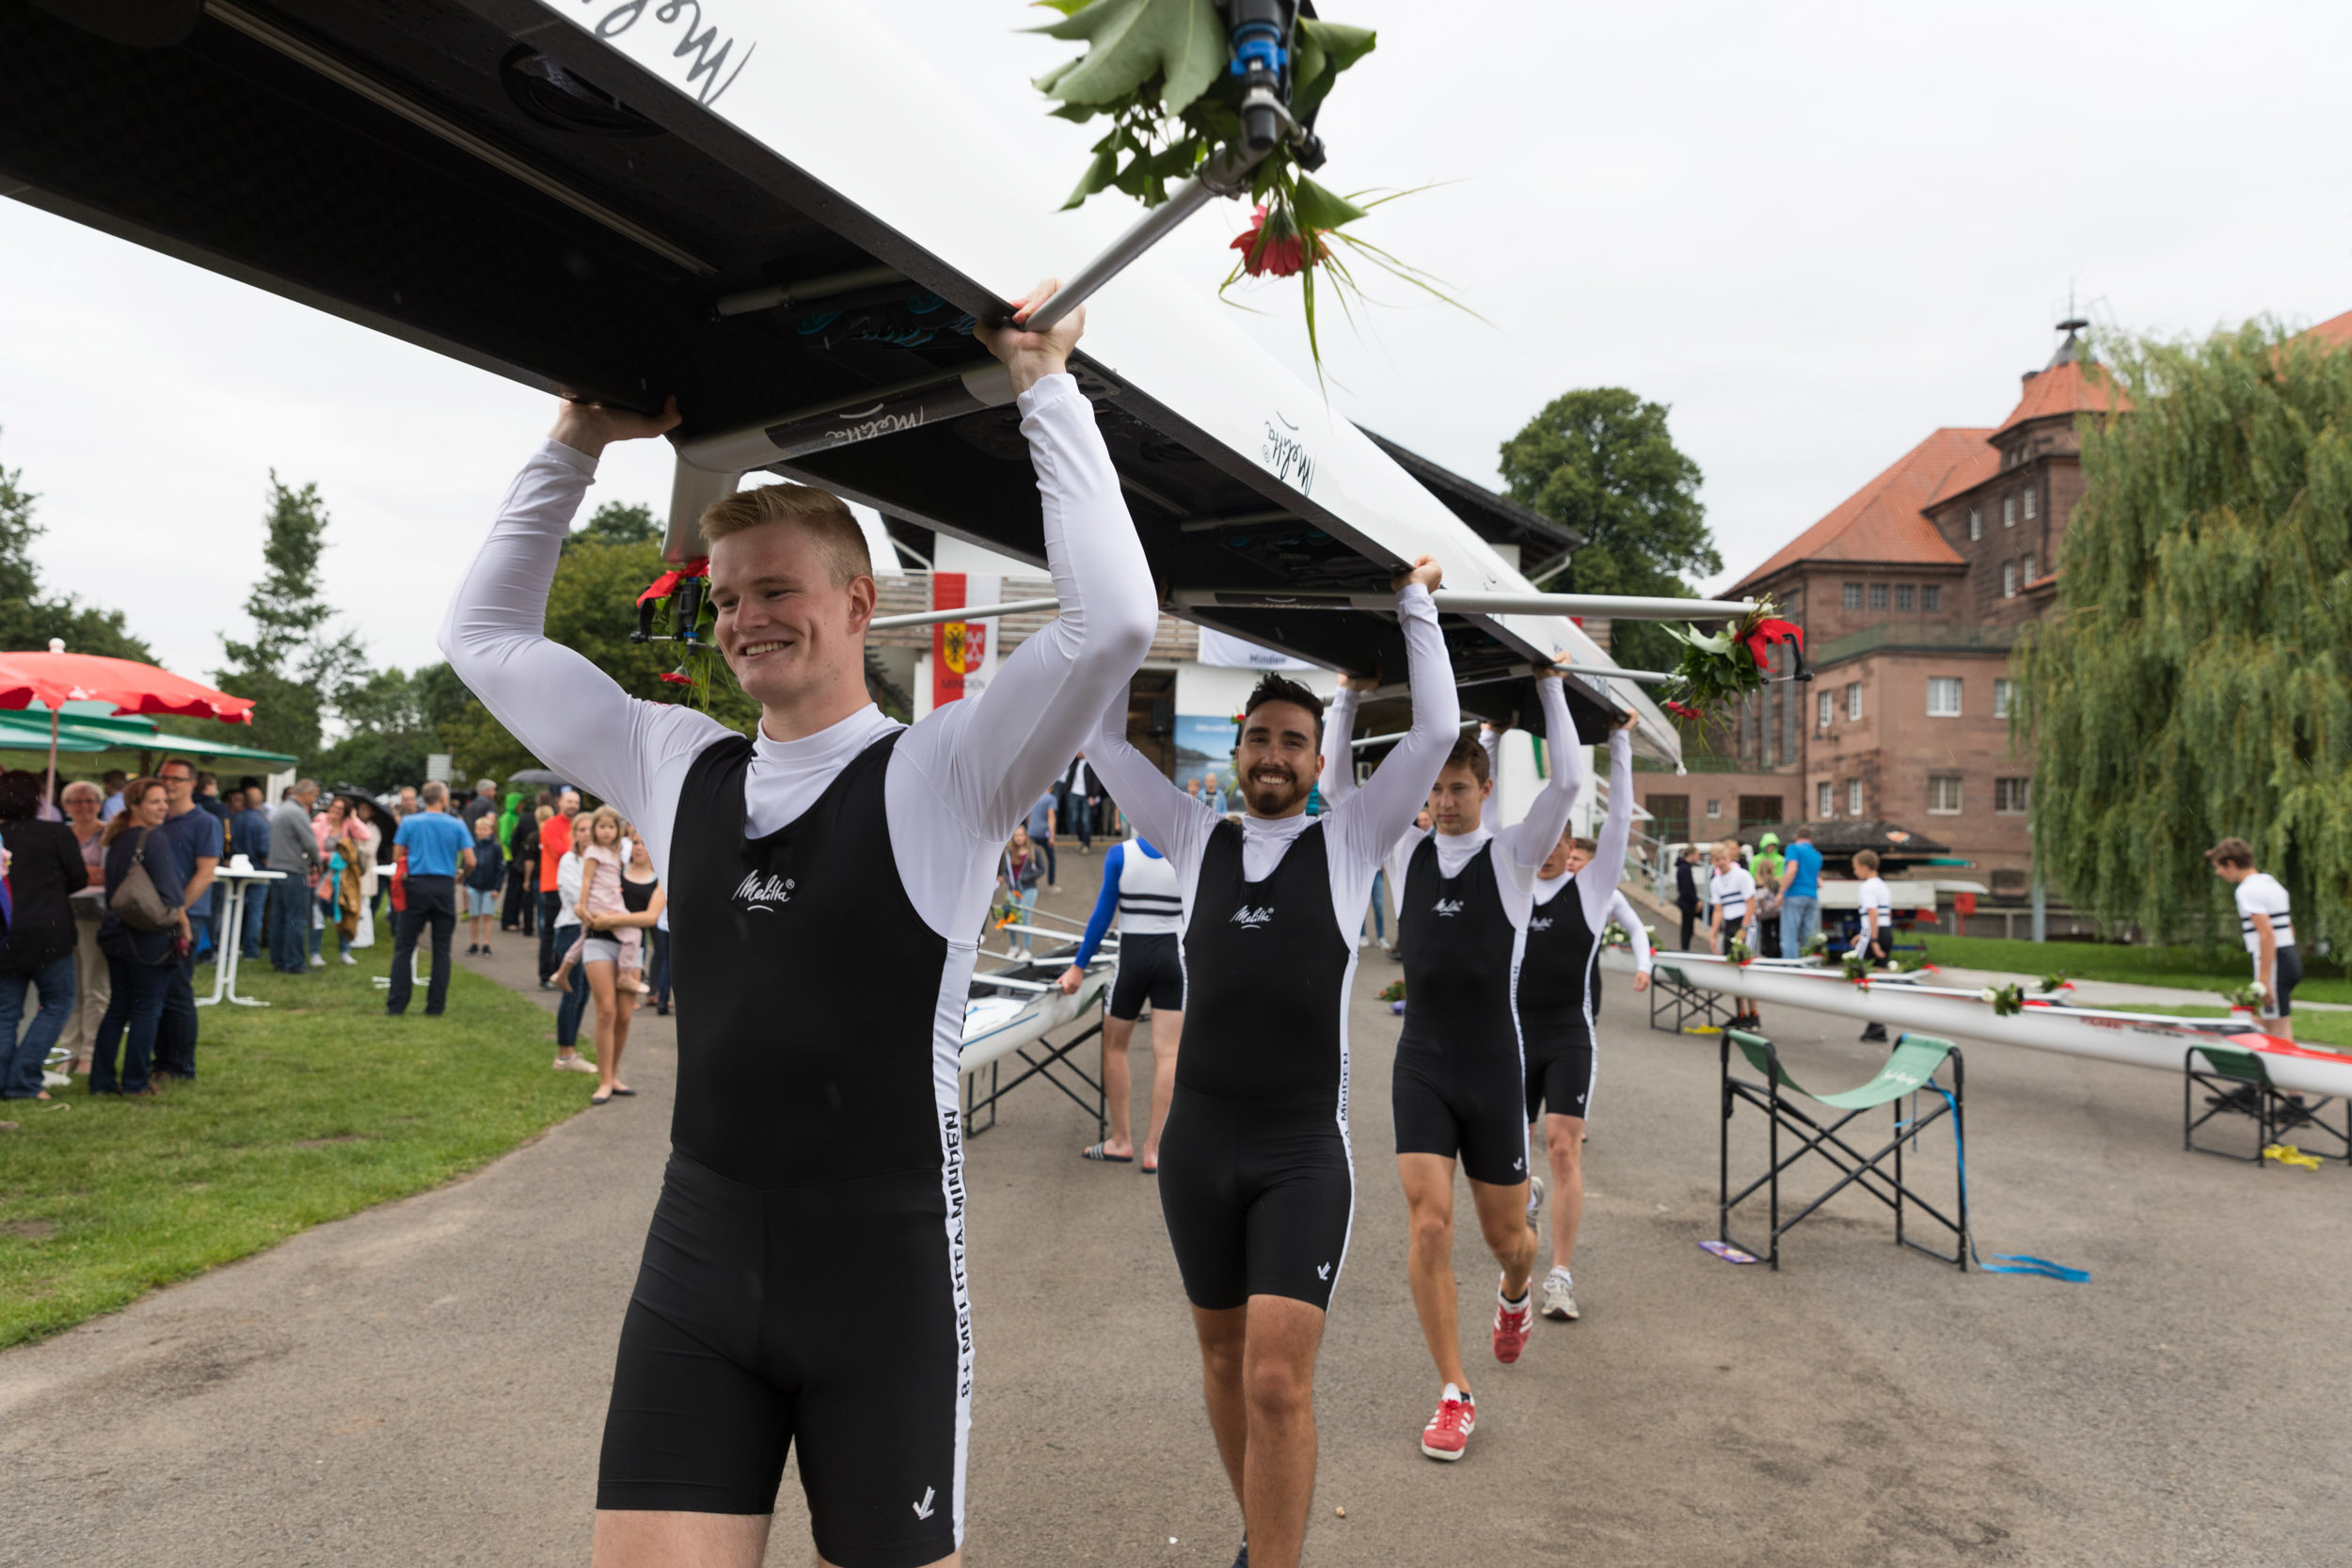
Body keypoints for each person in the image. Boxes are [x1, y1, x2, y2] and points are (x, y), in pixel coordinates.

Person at [439, 277, 1152, 1568]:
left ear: (858, 602)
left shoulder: (947, 770)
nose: (744, 616)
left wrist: (1043, 382)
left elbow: (1115, 622)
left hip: (881, 1274)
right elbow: (485, 638)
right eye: (722, 597)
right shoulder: (674, 759)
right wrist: (576, 442)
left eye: (775, 588)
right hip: (698, 1261)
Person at [1085, 559, 1454, 1568]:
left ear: (1315, 755)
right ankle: (1261, 1532)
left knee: (1277, 1379)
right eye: (1261, 737)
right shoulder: (1194, 836)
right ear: (1236, 750)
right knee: (1218, 1355)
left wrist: (1412, 605)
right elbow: (1103, 737)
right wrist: (1137, 606)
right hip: (1198, 1142)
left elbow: (1431, 735)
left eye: (1295, 740)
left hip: (1299, 1148)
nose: (1276, 754)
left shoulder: (1348, 843)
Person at [1325, 684, 1582, 1463]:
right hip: (1424, 1064)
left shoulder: (1510, 855)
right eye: (1434, 787)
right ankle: (1454, 1392)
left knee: (1511, 1242)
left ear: (1486, 790)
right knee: (1429, 1222)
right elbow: (1338, 791)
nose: (1441, 801)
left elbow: (1568, 781)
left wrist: (1550, 688)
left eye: (1457, 788)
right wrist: (1346, 699)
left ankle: (1513, 1297)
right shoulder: (1404, 851)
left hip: (1494, 1071)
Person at [1473, 728, 1640, 1327]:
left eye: (1557, 842)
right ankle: (1528, 1205)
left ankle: (1561, 1277)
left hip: (1569, 1032)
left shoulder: (1592, 890)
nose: (1545, 850)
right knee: (1511, 1159)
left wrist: (1619, 744)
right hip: (1512, 1035)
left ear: (1571, 849)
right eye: (1537, 838)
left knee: (1564, 1148)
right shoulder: (1510, 881)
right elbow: (1484, 815)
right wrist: (1489, 740)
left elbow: (1619, 819)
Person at [1057, 829, 1184, 1169]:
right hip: (1173, 960)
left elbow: (1102, 916)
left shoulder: (1119, 854)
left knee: (1114, 1048)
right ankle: (1154, 1151)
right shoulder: (1185, 854)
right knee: (1169, 1054)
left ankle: (1120, 1141)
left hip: (1132, 961)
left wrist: (1078, 967)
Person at [89, 778, 186, 1096]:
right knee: (147, 1007)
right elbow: (172, 894)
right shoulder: (152, 839)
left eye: (164, 801)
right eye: (155, 801)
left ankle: (101, 1080)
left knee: (118, 1007)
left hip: (116, 933)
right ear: (135, 805)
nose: (163, 807)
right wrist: (183, 927)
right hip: (148, 937)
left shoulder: (117, 839)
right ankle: (135, 1081)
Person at [0, 769, 86, 1101]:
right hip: (49, 933)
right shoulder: (55, 834)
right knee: (58, 1002)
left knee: (6, 1011)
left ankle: (8, 1079)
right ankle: (24, 1078)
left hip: (5, 930)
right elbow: (77, 878)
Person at [576, 827, 664, 1106]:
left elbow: (650, 918)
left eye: (644, 843)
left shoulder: (659, 880)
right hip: (600, 943)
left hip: (631, 950)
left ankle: (613, 1075)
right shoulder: (615, 870)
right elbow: (588, 893)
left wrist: (611, 921)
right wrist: (583, 911)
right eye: (635, 842)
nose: (639, 847)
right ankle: (604, 1081)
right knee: (606, 1011)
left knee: (624, 1016)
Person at [151, 758, 220, 1080]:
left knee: (177, 989)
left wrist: (177, 911)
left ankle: (179, 1065)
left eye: (176, 779)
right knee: (155, 992)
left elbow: (205, 874)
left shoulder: (204, 823)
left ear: (192, 783)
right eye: (164, 777)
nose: (169, 784)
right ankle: (160, 1060)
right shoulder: (154, 819)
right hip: (152, 915)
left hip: (188, 916)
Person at [388, 782, 473, 1015]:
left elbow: (397, 854)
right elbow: (471, 860)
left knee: (404, 947)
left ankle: (396, 1005)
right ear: (444, 799)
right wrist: (461, 875)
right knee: (442, 949)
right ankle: (435, 1007)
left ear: (424, 800)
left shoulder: (410, 822)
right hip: (444, 886)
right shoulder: (456, 824)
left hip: (416, 884)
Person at [2205, 837, 2297, 1040]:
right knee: (2278, 1022)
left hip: (2275, 963)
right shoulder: (2270, 882)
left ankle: (2278, 1070)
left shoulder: (2246, 890)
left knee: (2275, 1032)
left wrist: (2264, 981)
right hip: (2289, 958)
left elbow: (2266, 934)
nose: (2217, 873)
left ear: (2231, 864)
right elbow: (2288, 927)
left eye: (2218, 867)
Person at [548, 833, 595, 1073]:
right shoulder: (569, 860)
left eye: (592, 828)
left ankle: (570, 1050)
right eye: (583, 828)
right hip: (570, 928)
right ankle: (564, 1056)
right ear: (576, 833)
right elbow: (576, 895)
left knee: (583, 993)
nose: (589, 834)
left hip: (590, 928)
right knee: (573, 991)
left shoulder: (596, 859)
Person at [1708, 840, 1760, 1031]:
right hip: (1729, 924)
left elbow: (1751, 905)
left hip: (1745, 922)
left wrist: (1744, 929)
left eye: (1723, 858)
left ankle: (1754, 1015)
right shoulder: (1715, 882)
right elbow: (1717, 911)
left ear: (1729, 857)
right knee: (1732, 970)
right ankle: (1740, 1014)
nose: (1721, 862)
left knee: (1745, 969)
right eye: (1717, 860)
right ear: (1713, 861)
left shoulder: (1742, 876)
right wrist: (1713, 935)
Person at [310, 796, 365, 966]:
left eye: (340, 808)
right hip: (322, 876)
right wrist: (331, 856)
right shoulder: (318, 824)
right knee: (318, 913)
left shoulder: (348, 825)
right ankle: (315, 953)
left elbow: (365, 835)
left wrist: (355, 819)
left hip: (344, 879)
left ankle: (344, 951)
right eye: (333, 806)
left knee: (344, 911)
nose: (334, 810)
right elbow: (314, 849)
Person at [537, 790, 579, 985]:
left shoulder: (577, 825)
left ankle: (565, 973)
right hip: (554, 885)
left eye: (576, 802)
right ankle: (547, 974)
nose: (573, 805)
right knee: (551, 931)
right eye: (569, 801)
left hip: (576, 885)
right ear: (559, 802)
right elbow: (559, 851)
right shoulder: (551, 825)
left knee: (571, 930)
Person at [1852, 847, 1893, 1042]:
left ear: (1865, 867)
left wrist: (1872, 939)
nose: (1855, 872)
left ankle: (1875, 1023)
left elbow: (1872, 914)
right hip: (1886, 931)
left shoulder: (1866, 887)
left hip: (1874, 935)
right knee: (1878, 978)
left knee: (1860, 975)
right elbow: (1885, 915)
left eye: (1856, 868)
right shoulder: (1883, 886)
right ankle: (1877, 1024)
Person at [229, 784, 274, 961]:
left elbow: (226, 844)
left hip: (233, 869)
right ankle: (250, 950)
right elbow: (264, 851)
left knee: (232, 907)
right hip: (257, 871)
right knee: (256, 911)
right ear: (260, 801)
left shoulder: (233, 819)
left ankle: (229, 947)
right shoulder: (262, 823)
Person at [1777, 826, 1823, 959]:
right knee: (1809, 935)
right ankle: (1811, 966)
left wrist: (1781, 891)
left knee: (1789, 935)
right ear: (1810, 839)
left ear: (1797, 837)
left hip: (1794, 894)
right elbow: (1817, 880)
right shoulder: (1817, 855)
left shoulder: (1793, 848)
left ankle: (1791, 968)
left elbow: (1792, 869)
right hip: (1812, 896)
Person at [464, 811, 505, 956]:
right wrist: (466, 882)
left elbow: (500, 869)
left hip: (489, 887)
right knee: (474, 915)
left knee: (488, 916)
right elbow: (466, 865)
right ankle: (474, 943)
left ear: (491, 831)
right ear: (475, 830)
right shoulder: (471, 846)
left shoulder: (495, 848)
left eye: (485, 829)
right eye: (479, 829)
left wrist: (497, 888)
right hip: (474, 885)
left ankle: (486, 944)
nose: (482, 832)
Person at [999, 824, 1043, 955]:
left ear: (1025, 836)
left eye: (1021, 835)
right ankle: (1013, 946)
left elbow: (1042, 869)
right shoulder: (1008, 853)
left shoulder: (1034, 851)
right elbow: (1004, 871)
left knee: (1024, 918)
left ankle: (1026, 949)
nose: (1018, 838)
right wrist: (1008, 879)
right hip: (1012, 889)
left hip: (1029, 889)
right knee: (1010, 917)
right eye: (1016, 835)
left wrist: (1028, 877)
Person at [1751, 832, 1785, 958]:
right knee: (1775, 932)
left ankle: (1771, 954)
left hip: (1765, 911)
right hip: (1774, 909)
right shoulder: (1758, 860)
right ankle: (1776, 955)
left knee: (1767, 933)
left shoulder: (1779, 860)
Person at [1025, 788, 1058, 891]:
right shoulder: (1051, 799)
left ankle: (1026, 882)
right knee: (1051, 859)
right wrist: (1052, 836)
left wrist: (1029, 827)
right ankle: (1051, 884)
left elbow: (1027, 814)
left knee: (1028, 858)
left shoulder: (1034, 796)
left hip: (1032, 831)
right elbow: (1051, 817)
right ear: (1052, 787)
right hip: (1044, 833)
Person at [1675, 846, 1702, 951]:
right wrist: (1696, 901)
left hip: (1685, 902)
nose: (1698, 858)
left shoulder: (1683, 868)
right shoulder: (1685, 868)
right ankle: (1685, 950)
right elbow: (1687, 888)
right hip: (1687, 903)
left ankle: (1685, 949)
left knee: (1687, 928)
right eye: (1697, 855)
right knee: (1687, 929)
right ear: (1691, 855)